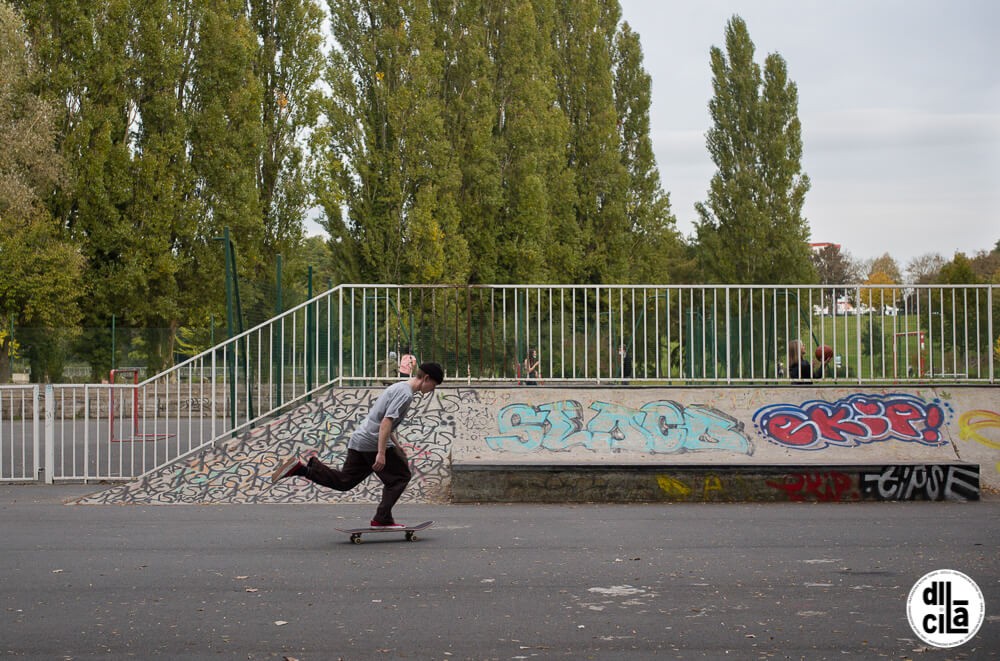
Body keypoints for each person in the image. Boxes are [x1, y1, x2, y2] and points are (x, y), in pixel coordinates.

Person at [271, 362, 444, 528]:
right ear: (427, 378)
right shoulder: (405, 394)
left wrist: (397, 447)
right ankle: (382, 518)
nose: (432, 390)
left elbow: (386, 424)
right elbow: (386, 422)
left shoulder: (398, 387)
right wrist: (382, 453)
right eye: (434, 385)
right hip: (372, 441)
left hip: (360, 438)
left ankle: (301, 469)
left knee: (344, 481)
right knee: (401, 476)